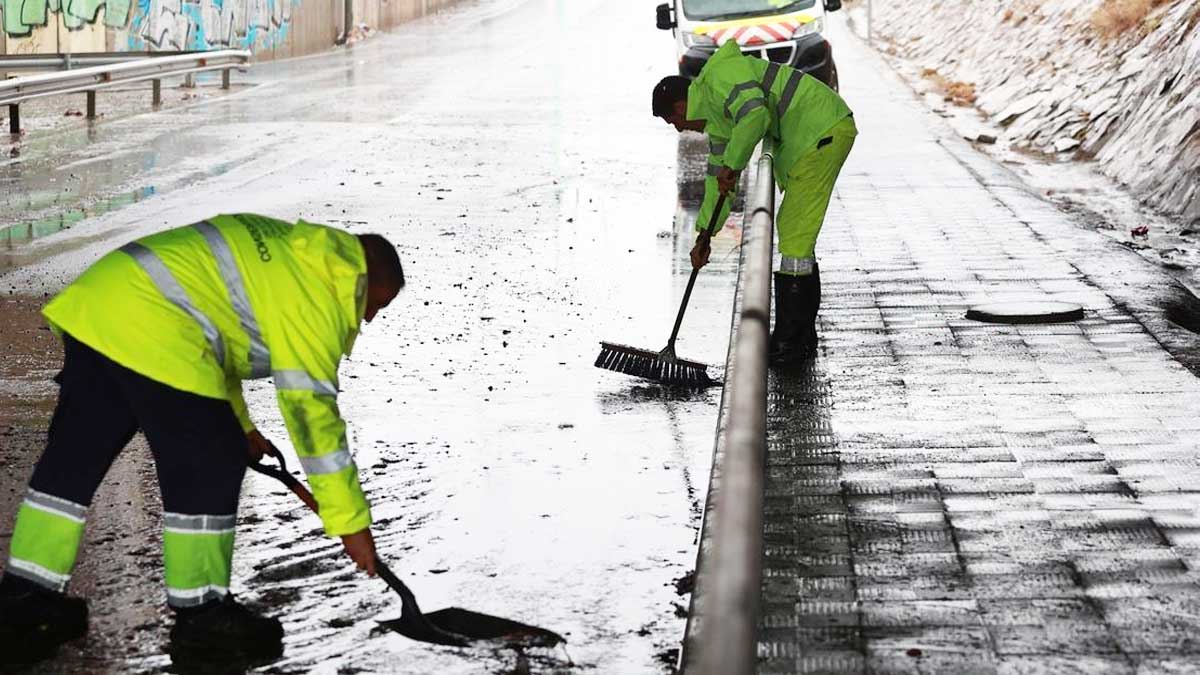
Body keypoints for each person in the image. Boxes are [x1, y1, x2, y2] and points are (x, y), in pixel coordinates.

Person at [0, 213, 404, 662]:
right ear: (363, 282)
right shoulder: (319, 297)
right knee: (211, 462)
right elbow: (311, 416)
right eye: (375, 306)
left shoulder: (297, 252)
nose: (367, 319)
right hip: (157, 327)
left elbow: (217, 331)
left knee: (72, 463)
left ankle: (25, 600)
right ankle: (203, 618)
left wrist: (243, 425)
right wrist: (350, 522)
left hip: (101, 308)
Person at [652, 40, 856, 363]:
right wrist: (704, 235)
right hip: (813, 134)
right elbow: (718, 183)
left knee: (794, 231)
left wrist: (733, 165)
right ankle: (800, 335)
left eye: (674, 122)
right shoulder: (717, 120)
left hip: (821, 128)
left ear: (680, 107)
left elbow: (756, 116)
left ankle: (791, 340)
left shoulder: (721, 76)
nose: (679, 130)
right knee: (795, 231)